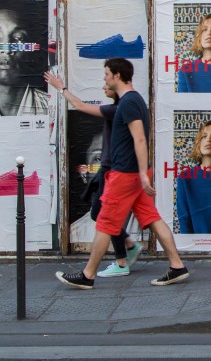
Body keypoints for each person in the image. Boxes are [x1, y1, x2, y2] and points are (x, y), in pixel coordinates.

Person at [56, 58, 189, 289]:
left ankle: (87, 275)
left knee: (106, 222)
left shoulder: (128, 103)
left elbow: (139, 138)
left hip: (126, 175)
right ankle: (177, 266)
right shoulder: (132, 101)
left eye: (107, 74)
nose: (105, 78)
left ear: (117, 75)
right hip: (133, 175)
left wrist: (142, 173)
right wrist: (143, 174)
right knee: (153, 218)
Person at [44, 71, 141, 276]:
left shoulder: (116, 109)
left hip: (114, 170)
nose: (103, 86)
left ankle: (122, 260)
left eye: (106, 83)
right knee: (100, 213)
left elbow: (80, 105)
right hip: (109, 169)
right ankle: (128, 247)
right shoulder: (117, 109)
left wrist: (61, 88)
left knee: (105, 215)